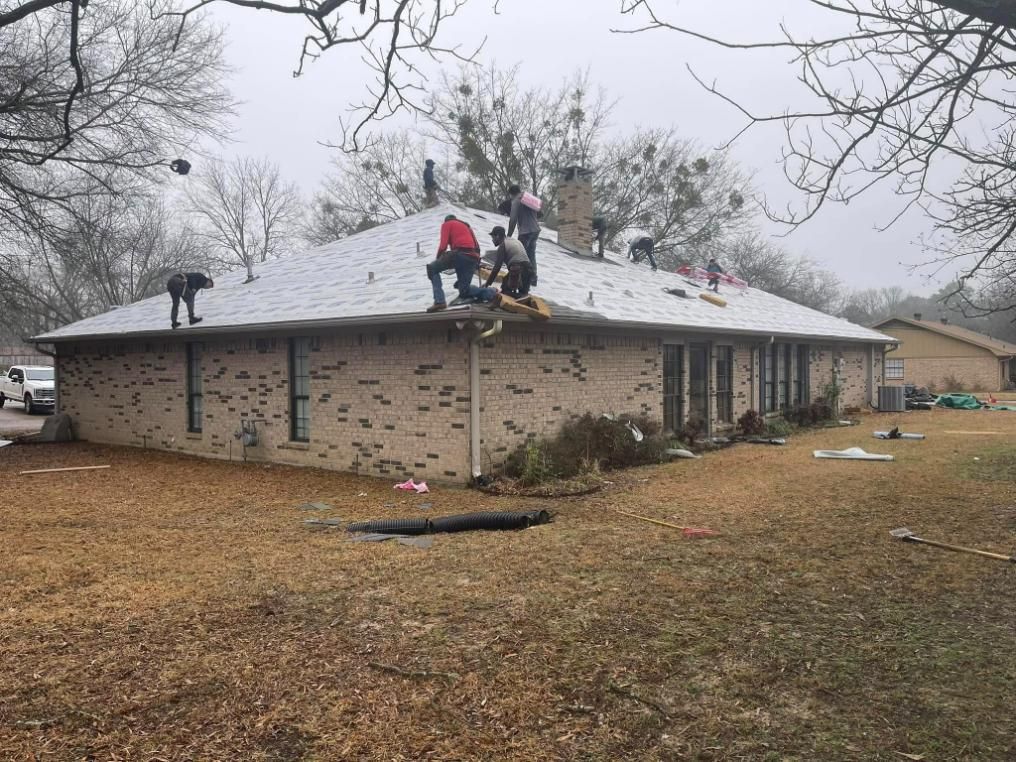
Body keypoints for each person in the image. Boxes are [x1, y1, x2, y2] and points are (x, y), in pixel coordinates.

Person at [426, 215, 495, 312]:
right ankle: (491, 293)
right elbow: (477, 246)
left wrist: (438, 260)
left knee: (432, 268)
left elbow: (443, 246)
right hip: (473, 257)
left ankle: (439, 301)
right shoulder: (467, 226)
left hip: (460, 254)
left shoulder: (447, 224)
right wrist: (475, 262)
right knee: (464, 291)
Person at [483, 226, 532, 299]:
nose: (492, 240)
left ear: (498, 236)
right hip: (529, 269)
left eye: (493, 238)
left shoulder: (502, 246)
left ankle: (517, 297)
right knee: (521, 292)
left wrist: (487, 284)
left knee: (505, 291)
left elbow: (497, 268)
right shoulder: (515, 241)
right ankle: (522, 296)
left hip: (517, 268)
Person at [506, 184, 541, 287]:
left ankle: (519, 279)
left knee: (519, 256)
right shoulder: (528, 199)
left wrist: (508, 236)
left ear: (512, 194)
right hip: (535, 230)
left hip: (525, 232)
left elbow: (513, 220)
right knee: (531, 255)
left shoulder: (516, 201)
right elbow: (539, 212)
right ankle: (533, 278)